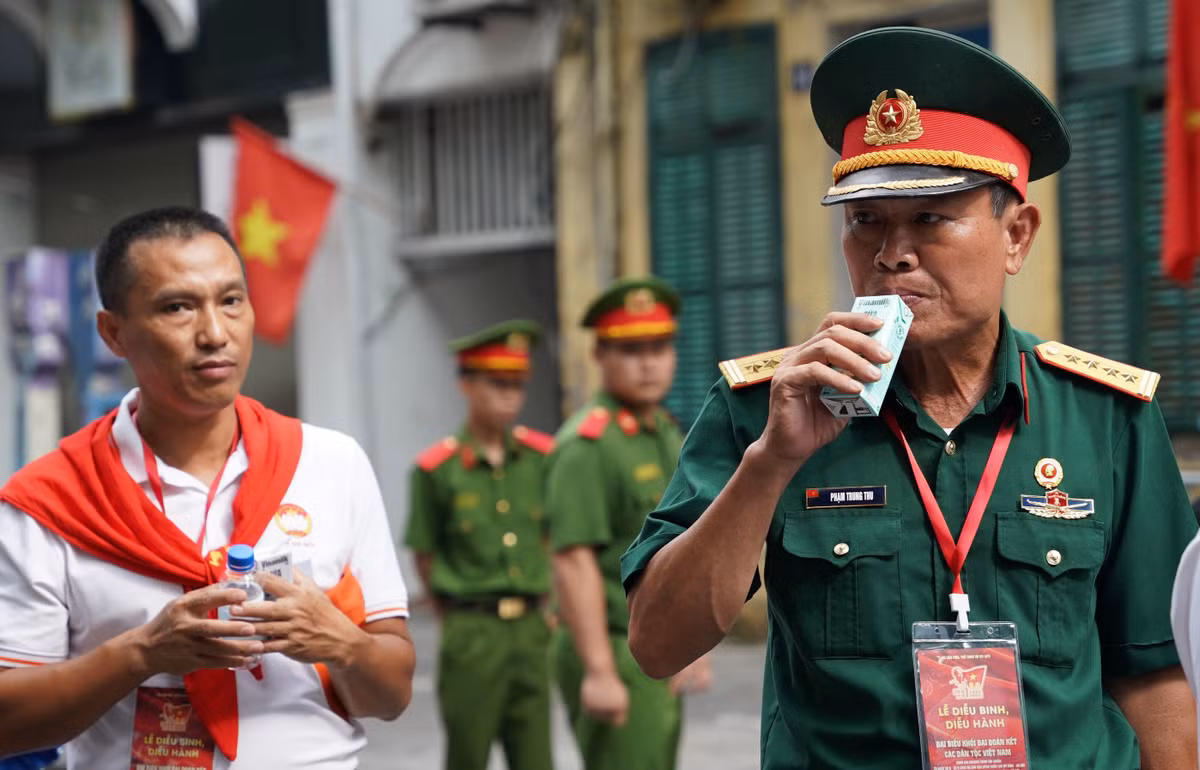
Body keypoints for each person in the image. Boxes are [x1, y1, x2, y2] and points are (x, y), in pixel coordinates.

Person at [621, 27, 1198, 770]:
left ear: (1016, 235)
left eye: (930, 218)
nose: (893, 253)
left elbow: (1153, 671)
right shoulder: (769, 407)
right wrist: (770, 463)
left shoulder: (1105, 414)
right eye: (866, 221)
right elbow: (656, 644)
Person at [0, 206, 415, 768]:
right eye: (177, 307)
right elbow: (10, 725)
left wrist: (339, 642)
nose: (215, 334)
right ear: (114, 332)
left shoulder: (329, 464)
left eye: (231, 301)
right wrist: (142, 653)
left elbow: (390, 696)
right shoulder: (50, 501)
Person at [547, 276, 711, 770]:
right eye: (631, 349)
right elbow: (573, 562)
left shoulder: (662, 430)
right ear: (599, 355)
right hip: (613, 646)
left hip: (658, 643)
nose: (649, 363)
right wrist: (598, 670)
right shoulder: (586, 445)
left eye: (660, 347)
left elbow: (683, 543)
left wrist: (692, 644)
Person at [405, 319, 556, 770]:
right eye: (497, 383)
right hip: (472, 630)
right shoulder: (438, 469)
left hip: (531, 628)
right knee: (468, 755)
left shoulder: (540, 460)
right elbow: (425, 553)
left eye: (517, 385)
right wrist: (454, 615)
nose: (510, 395)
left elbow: (548, 538)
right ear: (467, 385)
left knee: (536, 757)